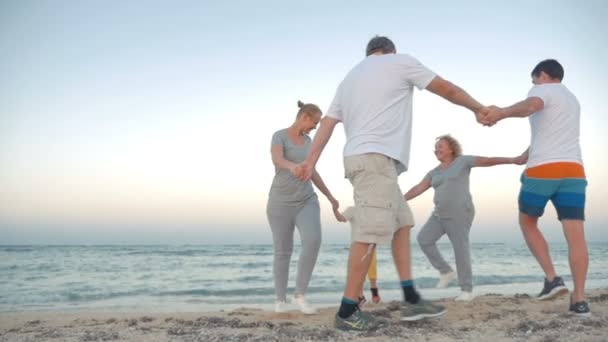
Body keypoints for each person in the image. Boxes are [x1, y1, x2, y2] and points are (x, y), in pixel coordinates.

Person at [295, 36, 489, 331]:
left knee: (402, 223)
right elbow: (446, 89)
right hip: (374, 160)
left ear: (369, 53)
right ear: (389, 51)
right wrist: (478, 108)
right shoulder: (400, 62)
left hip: (371, 163)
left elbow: (328, 124)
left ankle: (411, 299)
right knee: (368, 233)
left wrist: (311, 160)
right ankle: (347, 311)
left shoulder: (349, 78)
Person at [483, 59, 590, 316]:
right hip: (574, 171)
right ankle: (579, 300)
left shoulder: (543, 90)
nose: (533, 85)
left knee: (527, 222)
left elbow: (531, 106)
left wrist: (501, 112)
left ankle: (552, 278)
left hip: (544, 170)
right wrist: (525, 154)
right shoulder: (572, 99)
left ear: (543, 75)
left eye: (534, 80)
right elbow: (553, 134)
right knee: (576, 236)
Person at [404, 135, 525, 301]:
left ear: (451, 149)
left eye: (441, 146)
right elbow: (418, 188)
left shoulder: (462, 162)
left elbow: (488, 160)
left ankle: (466, 290)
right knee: (424, 239)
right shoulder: (434, 172)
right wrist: (400, 199)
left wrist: (512, 160)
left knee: (460, 249)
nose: (437, 149)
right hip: (439, 214)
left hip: (460, 212)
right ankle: (446, 271)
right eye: (436, 147)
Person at [267, 100, 341, 315]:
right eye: (314, 122)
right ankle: (280, 300)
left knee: (313, 240)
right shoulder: (279, 136)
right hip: (279, 202)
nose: (315, 127)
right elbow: (277, 159)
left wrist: (330, 197)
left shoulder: (310, 143)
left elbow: (313, 171)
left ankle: (300, 295)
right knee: (283, 251)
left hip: (306, 200)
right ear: (305, 117)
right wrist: (293, 166)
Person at [337, 207, 382, 305]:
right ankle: (360, 297)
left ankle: (374, 290)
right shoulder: (352, 210)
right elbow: (341, 218)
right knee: (358, 274)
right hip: (357, 246)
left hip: (370, 245)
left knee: (372, 271)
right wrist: (335, 210)